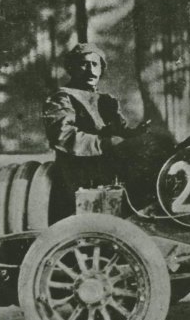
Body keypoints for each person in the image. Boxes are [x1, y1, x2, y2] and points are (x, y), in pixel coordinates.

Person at [43, 43, 172, 201]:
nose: (91, 70)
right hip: (81, 166)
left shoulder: (106, 100)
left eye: (95, 64)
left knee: (162, 142)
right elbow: (63, 135)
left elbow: (120, 131)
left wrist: (134, 133)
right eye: (84, 64)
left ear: (101, 69)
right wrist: (105, 143)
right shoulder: (62, 97)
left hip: (109, 161)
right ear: (71, 67)